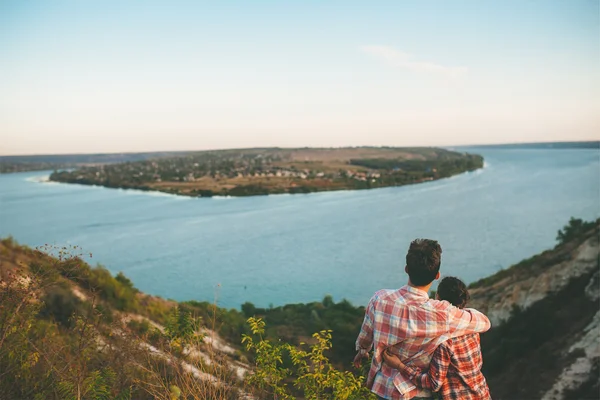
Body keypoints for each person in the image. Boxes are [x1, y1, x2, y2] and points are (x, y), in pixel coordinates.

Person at [353, 239, 491, 400]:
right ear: (437, 275)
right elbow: (484, 323)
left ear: (406, 269)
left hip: (384, 388)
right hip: (416, 392)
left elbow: (366, 335)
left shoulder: (380, 299)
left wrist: (362, 351)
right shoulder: (442, 313)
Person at [382, 277, 492, 400]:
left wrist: (399, 366)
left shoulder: (444, 341)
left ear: (438, 298)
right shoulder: (473, 328)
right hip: (482, 393)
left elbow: (433, 383)